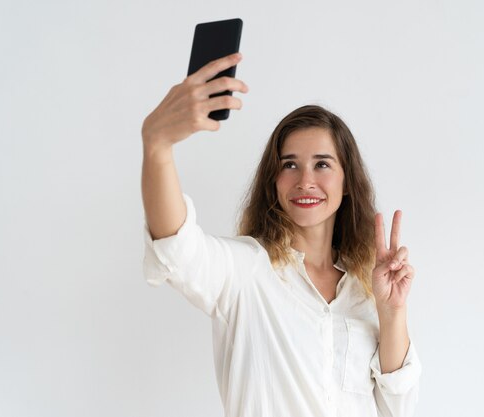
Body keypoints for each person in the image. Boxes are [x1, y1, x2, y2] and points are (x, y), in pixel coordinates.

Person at [141, 52, 422, 417]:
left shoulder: (365, 288)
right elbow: (176, 247)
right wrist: (157, 146)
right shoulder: (245, 271)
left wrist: (391, 312)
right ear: (273, 182)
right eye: (289, 164)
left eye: (322, 164)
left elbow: (398, 408)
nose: (306, 180)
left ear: (347, 180)